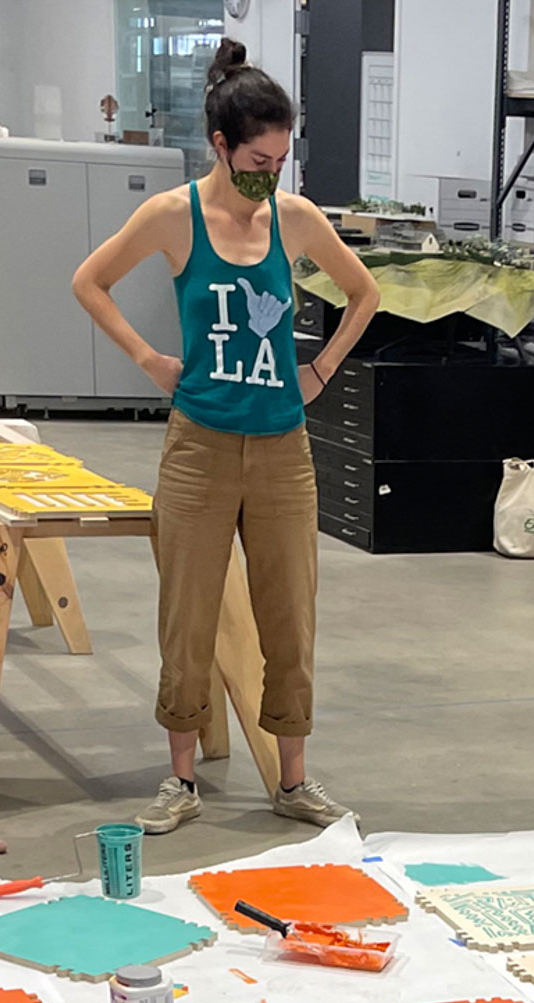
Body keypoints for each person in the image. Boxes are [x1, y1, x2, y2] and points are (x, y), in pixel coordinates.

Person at [73, 39, 379, 835]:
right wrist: (146, 358)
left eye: (280, 159)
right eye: (256, 157)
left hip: (283, 448)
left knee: (291, 617)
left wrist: (319, 373)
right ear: (220, 145)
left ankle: (293, 778)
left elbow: (363, 293)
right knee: (188, 614)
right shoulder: (173, 216)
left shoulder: (296, 218)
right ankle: (180, 781)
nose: (268, 173)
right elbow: (89, 280)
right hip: (200, 447)